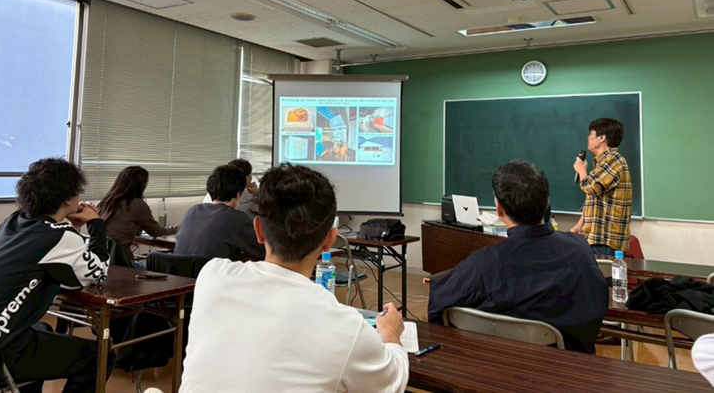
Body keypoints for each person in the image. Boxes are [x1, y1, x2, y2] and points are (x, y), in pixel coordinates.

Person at [180, 163, 408, 393]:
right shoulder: (347, 328)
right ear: (330, 240)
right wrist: (391, 331)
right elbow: (394, 381)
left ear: (258, 230)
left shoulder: (211, 276)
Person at [428, 160, 608, 353]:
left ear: (499, 209)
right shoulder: (580, 250)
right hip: (570, 365)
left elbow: (438, 305)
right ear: (547, 203)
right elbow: (597, 306)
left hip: (497, 364)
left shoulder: (484, 264)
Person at [0, 158, 111, 392]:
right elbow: (98, 272)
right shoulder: (58, 236)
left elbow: (55, 254)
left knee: (44, 329)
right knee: (100, 357)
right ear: (67, 198)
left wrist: (70, 227)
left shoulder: (15, 220)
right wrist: (96, 223)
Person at [174, 164, 265, 261]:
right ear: (238, 194)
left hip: (178, 270)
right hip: (212, 270)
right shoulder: (236, 218)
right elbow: (265, 252)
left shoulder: (190, 212)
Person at [570, 118, 633, 255]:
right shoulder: (602, 162)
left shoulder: (613, 160)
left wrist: (581, 170)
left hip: (605, 240)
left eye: (591, 134)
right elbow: (593, 199)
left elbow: (591, 187)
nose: (588, 138)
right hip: (597, 238)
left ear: (602, 138)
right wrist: (580, 225)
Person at [97, 166, 177, 262]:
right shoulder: (137, 204)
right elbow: (156, 232)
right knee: (157, 267)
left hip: (101, 261)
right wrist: (181, 228)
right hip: (122, 263)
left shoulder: (106, 202)